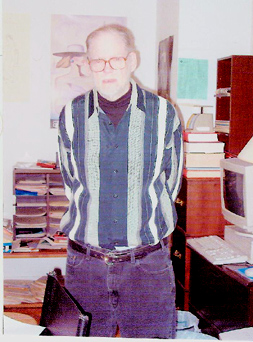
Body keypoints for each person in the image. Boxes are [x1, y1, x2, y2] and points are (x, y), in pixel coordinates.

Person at [57, 24, 183, 338]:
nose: (107, 69)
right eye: (98, 61)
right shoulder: (71, 117)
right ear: (87, 65)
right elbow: (71, 181)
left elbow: (169, 183)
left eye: (116, 60)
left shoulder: (164, 115)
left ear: (132, 60)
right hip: (86, 267)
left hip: (147, 269)